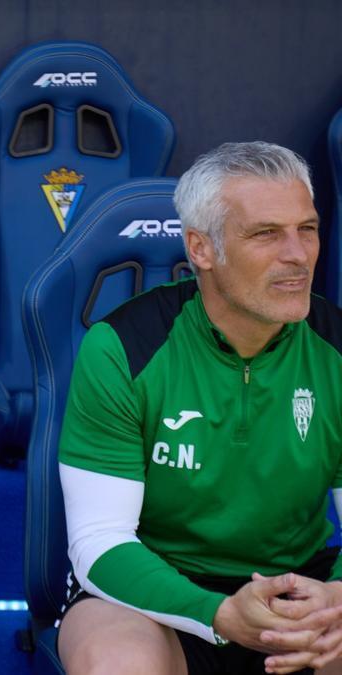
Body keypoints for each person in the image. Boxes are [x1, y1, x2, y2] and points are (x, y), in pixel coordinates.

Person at [57, 141, 342, 675]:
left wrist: (337, 599)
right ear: (201, 249)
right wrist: (215, 614)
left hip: (299, 588)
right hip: (156, 594)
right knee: (117, 663)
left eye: (307, 228)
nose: (299, 254)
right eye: (266, 233)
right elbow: (99, 543)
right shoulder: (122, 347)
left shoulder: (338, 350)